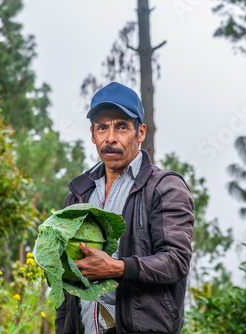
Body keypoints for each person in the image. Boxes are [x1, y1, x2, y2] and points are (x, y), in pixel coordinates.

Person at [55, 82, 194, 334]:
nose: (110, 138)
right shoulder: (78, 196)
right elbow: (66, 283)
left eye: (121, 127)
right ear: (92, 133)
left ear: (140, 132)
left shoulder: (164, 187)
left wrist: (118, 268)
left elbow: (176, 261)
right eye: (102, 127)